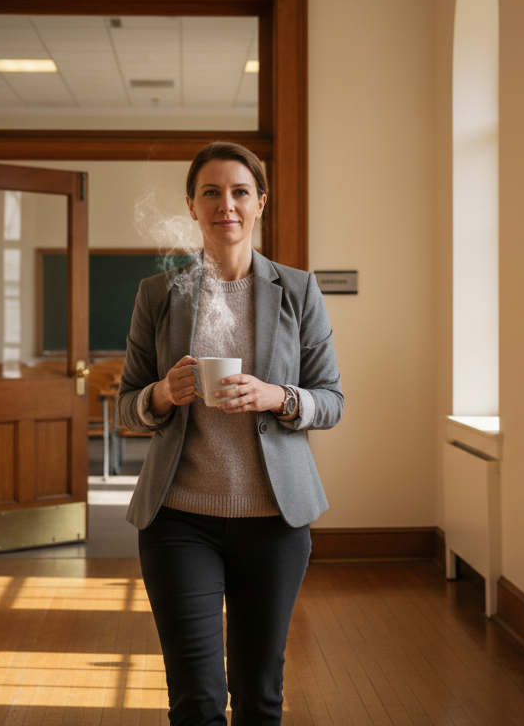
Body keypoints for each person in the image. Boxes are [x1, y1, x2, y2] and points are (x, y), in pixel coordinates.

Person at [117, 141, 343, 726]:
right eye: (210, 192)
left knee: (260, 695)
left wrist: (279, 396)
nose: (227, 205)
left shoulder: (297, 291)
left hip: (273, 523)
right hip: (178, 520)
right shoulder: (159, 294)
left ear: (261, 203)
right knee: (195, 698)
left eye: (240, 191)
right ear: (191, 206)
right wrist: (163, 395)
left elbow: (332, 401)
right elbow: (126, 410)